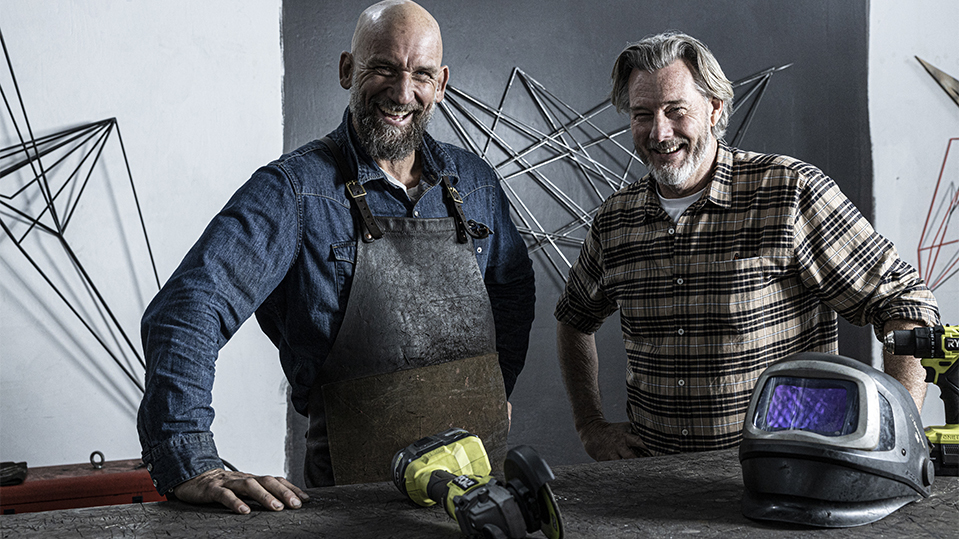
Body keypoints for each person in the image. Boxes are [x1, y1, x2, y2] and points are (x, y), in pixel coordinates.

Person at [137, 0, 535, 514]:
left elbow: (513, 288)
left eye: (420, 74)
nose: (401, 92)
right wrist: (191, 458)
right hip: (352, 502)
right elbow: (187, 311)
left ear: (440, 84)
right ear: (348, 69)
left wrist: (495, 389)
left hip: (479, 487)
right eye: (383, 68)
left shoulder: (474, 182)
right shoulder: (293, 192)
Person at [555, 31, 939, 462]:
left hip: (788, 473)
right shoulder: (615, 220)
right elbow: (573, 319)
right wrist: (590, 426)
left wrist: (900, 431)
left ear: (714, 108)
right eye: (643, 115)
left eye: (675, 111)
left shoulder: (789, 192)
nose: (659, 133)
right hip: (654, 481)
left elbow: (904, 302)